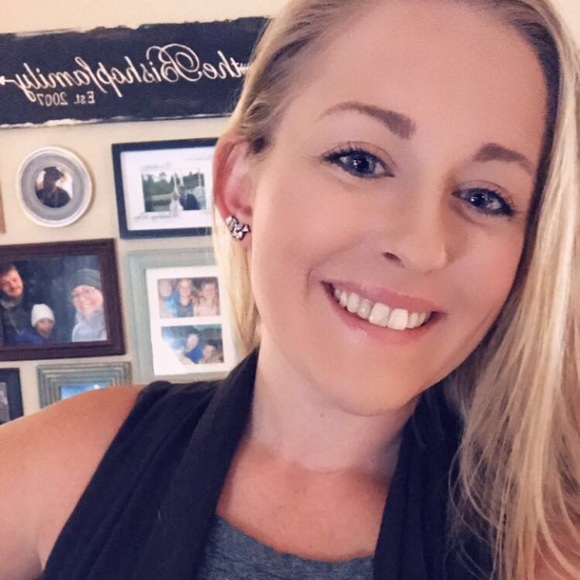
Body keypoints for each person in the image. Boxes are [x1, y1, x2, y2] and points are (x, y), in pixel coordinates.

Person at [0, 1, 578, 579]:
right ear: (239, 185)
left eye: (484, 198)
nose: (423, 247)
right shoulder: (62, 468)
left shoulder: (552, 552)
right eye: (360, 161)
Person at [69, 268, 107, 342]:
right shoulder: (78, 331)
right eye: (76, 295)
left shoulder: (119, 323)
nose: (81, 299)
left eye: (87, 291)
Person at [0, 263, 33, 345]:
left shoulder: (36, 299)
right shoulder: (2, 311)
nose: (13, 286)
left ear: (21, 279)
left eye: (15, 280)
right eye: (6, 284)